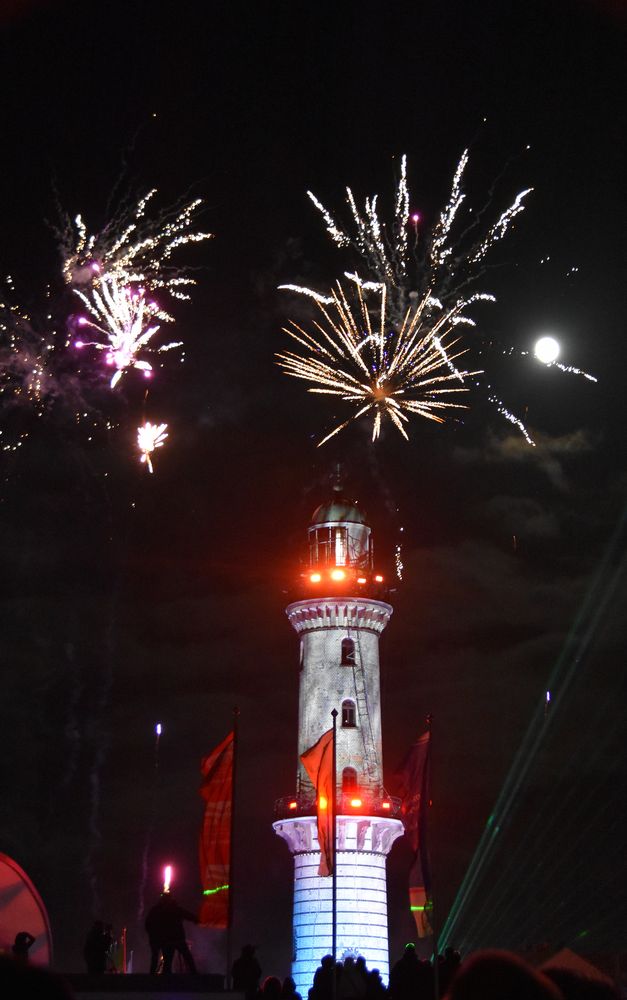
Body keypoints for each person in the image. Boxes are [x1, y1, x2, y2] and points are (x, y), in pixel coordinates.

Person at [145, 893, 198, 974]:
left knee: (165, 960)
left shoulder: (156, 910)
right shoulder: (175, 908)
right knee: (186, 957)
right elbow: (188, 915)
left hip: (166, 940)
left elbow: (148, 924)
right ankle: (194, 975)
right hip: (176, 939)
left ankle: (156, 978)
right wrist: (197, 919)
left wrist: (153, 936)